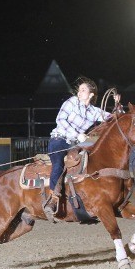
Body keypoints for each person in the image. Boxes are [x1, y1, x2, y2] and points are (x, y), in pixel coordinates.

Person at [44, 78, 120, 220]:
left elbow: (112, 118)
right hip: (60, 138)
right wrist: (77, 134)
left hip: (77, 143)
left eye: (83, 90)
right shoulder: (72, 102)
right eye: (79, 90)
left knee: (95, 158)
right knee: (58, 164)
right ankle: (53, 199)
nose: (79, 92)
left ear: (91, 94)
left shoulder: (94, 111)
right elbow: (60, 120)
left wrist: (117, 105)